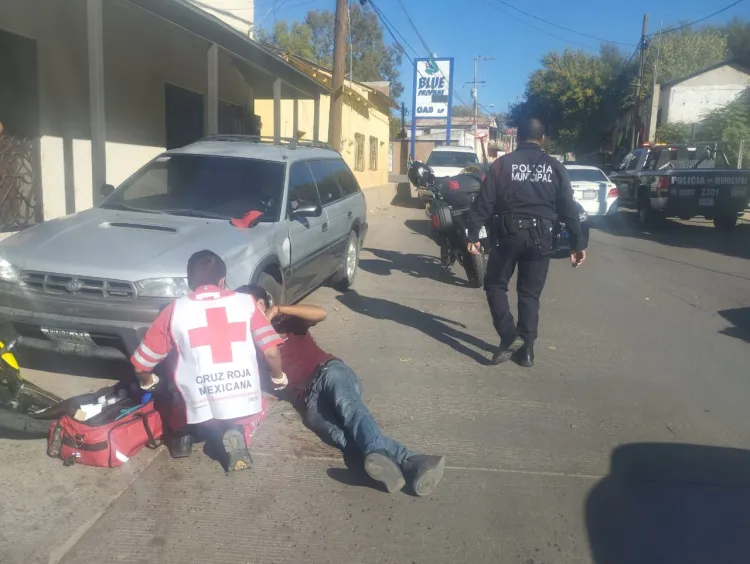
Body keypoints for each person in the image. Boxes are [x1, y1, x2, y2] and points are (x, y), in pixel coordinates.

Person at [242, 285, 446, 496]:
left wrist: (279, 309)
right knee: (340, 436)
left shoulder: (285, 321)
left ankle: (385, 457)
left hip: (329, 372)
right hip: (307, 400)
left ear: (260, 304)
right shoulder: (244, 344)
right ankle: (412, 463)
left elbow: (321, 313)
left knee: (350, 411)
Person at [130, 250, 285, 471]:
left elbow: (141, 362)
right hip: (240, 394)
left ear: (190, 282)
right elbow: (270, 352)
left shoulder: (175, 310)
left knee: (177, 363)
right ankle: (238, 430)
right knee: (254, 408)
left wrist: (148, 380)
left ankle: (183, 436)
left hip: (196, 398)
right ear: (222, 280)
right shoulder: (246, 303)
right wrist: (278, 376)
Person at [467, 117, 586, 368]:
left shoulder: (501, 165)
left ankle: (510, 336)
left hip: (508, 235)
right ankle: (527, 351)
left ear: (518, 137)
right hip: (542, 238)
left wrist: (473, 234)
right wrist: (578, 244)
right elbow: (568, 208)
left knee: (495, 285)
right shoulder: (555, 167)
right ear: (542, 139)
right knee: (530, 294)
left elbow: (484, 202)